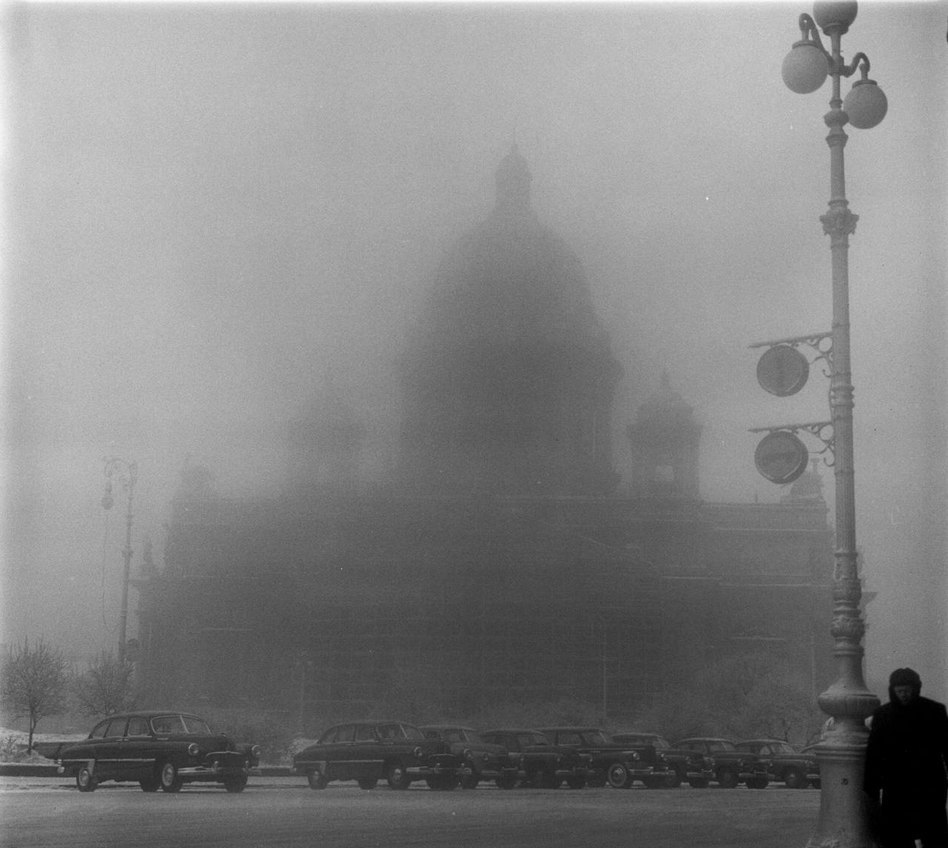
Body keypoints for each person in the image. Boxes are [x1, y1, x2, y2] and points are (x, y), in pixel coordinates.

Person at [864, 667, 948, 848]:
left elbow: (946, 745)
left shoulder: (935, 712)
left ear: (916, 689)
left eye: (907, 691)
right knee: (897, 834)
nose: (904, 695)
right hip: (896, 783)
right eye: (899, 691)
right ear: (893, 691)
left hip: (929, 781)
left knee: (933, 833)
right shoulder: (882, 715)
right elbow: (874, 752)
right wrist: (872, 785)